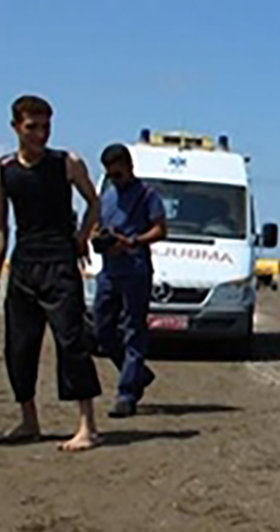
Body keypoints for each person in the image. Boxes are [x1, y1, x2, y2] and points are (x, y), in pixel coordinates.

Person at [0, 95, 103, 451]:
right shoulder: (1, 170)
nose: (40, 134)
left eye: (46, 126)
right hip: (23, 265)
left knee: (71, 341)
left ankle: (87, 425)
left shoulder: (67, 163)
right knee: (19, 346)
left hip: (60, 262)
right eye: (32, 127)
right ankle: (28, 419)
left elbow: (94, 203)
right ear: (16, 127)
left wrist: (83, 237)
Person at [92, 143, 166, 417]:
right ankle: (137, 374)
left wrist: (131, 241)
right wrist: (97, 237)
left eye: (119, 173)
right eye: (111, 175)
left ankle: (127, 394)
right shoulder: (107, 197)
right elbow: (95, 225)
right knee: (102, 329)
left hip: (136, 268)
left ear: (129, 166)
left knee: (134, 329)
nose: (115, 178)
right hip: (109, 270)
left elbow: (160, 229)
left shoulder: (148, 195)